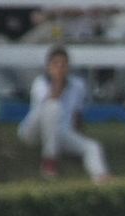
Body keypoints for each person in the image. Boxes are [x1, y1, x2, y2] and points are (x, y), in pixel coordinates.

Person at [18, 45, 110, 181]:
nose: (60, 67)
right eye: (56, 64)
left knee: (92, 147)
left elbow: (77, 115)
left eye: (64, 64)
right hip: (33, 130)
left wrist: (77, 139)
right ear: (48, 66)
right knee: (53, 107)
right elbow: (49, 103)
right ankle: (50, 160)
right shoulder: (40, 83)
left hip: (61, 131)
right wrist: (57, 81)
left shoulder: (77, 85)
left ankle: (101, 177)